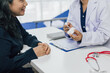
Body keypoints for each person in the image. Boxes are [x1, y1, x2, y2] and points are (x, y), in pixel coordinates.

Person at [0, 0, 51, 73]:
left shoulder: (11, 18)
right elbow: (3, 67)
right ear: (6, 2)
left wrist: (37, 44)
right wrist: (32, 53)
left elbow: (24, 36)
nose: (26, 3)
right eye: (21, 0)